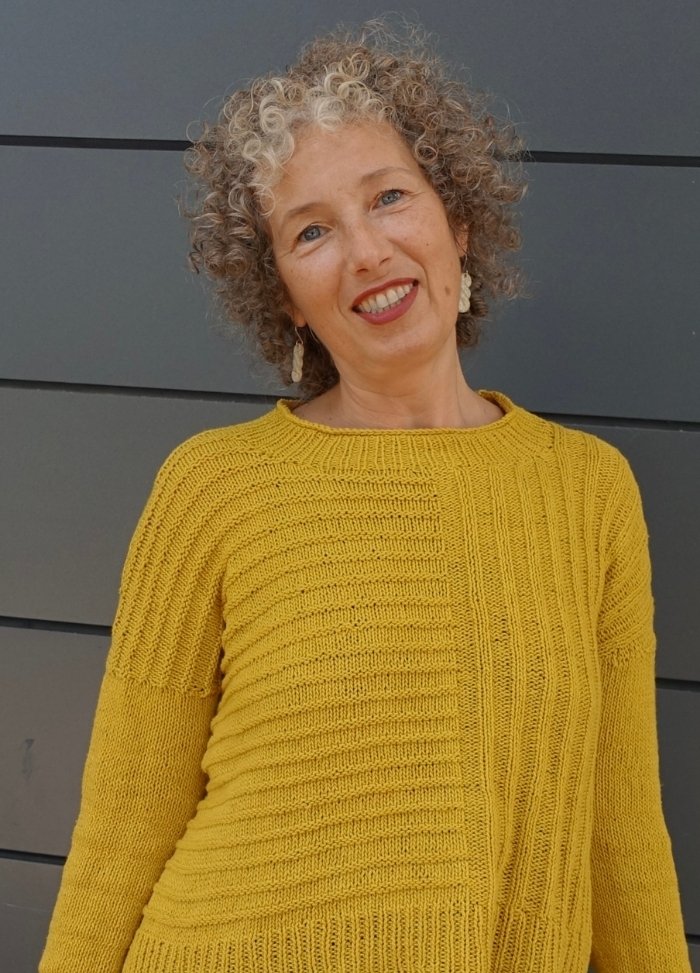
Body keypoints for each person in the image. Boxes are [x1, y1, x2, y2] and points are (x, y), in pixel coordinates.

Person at [39, 21, 691, 973]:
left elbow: (622, 827)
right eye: (312, 231)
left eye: (389, 197)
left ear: (456, 223)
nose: (367, 251)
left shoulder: (587, 489)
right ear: (287, 298)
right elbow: (125, 819)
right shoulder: (214, 486)